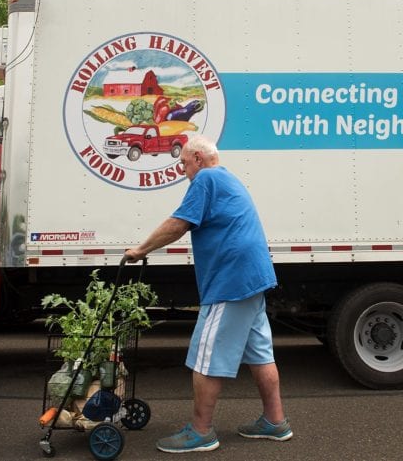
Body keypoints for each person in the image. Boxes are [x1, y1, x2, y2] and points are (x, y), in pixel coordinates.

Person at [125, 135, 292, 453]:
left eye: (184, 163)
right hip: (252, 277)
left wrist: (141, 248)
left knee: (205, 356)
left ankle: (200, 431)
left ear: (198, 158)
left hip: (230, 280)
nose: (182, 169)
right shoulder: (228, 178)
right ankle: (274, 422)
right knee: (260, 353)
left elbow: (178, 224)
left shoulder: (207, 178)